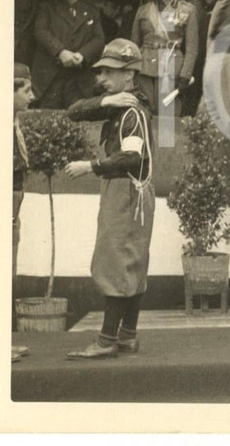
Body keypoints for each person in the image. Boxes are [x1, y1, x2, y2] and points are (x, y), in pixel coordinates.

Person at [63, 39, 155, 359]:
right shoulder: (120, 106)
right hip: (125, 190)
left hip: (126, 190)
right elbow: (73, 112)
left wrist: (91, 166)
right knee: (131, 261)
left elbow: (131, 157)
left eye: (110, 72)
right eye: (101, 71)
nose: (102, 77)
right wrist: (106, 100)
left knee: (115, 261)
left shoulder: (132, 113)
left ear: (129, 75)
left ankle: (106, 340)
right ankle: (126, 335)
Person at [31, 0, 106, 109]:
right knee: (47, 116)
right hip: (51, 77)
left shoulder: (91, 10)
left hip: (79, 79)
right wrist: (61, 52)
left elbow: (99, 39)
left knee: (78, 114)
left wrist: (82, 55)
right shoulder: (46, 7)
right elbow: (40, 32)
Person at [130, 0, 199, 114]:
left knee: (168, 119)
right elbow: (134, 44)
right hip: (145, 69)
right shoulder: (143, 11)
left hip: (171, 68)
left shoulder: (186, 10)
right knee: (144, 113)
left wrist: (185, 75)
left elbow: (192, 48)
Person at [12, 63, 35, 363]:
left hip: (12, 205)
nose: (32, 97)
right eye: (26, 90)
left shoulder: (14, 124)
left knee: (8, 270)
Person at [183, 0, 226, 116]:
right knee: (192, 108)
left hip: (219, 66)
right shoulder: (193, 8)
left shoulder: (228, 7)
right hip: (197, 66)